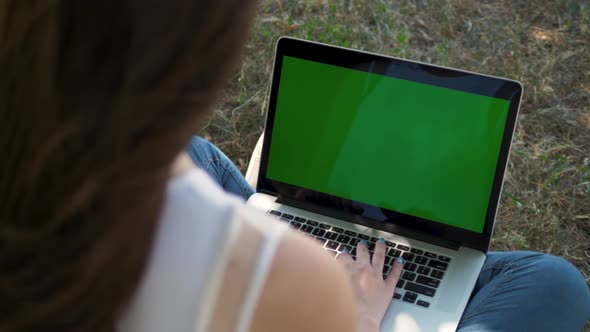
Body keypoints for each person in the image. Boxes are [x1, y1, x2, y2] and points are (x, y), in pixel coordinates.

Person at [0, 1, 588, 332]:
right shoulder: (295, 286)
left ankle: (277, 203)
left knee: (200, 155)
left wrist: (263, 206)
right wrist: (354, 317)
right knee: (552, 283)